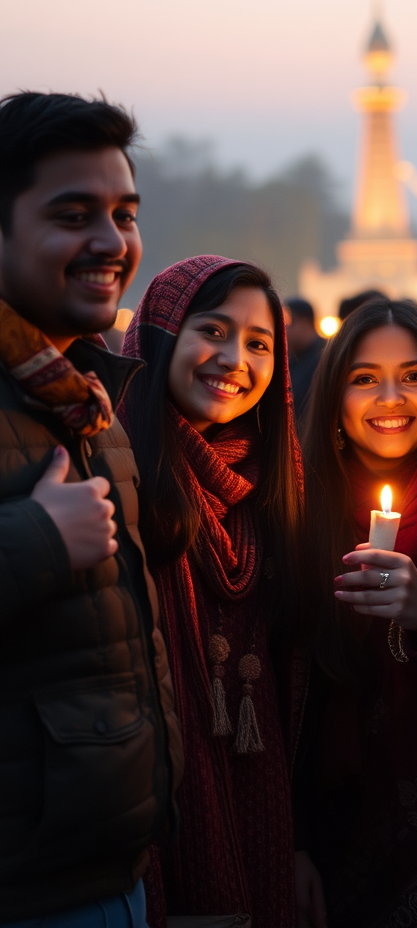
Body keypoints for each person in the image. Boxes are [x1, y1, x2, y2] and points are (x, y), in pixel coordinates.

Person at [0, 91, 182, 926]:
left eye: (125, 214)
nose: (112, 243)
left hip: (106, 865)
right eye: (74, 216)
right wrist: (37, 540)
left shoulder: (87, 401)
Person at [120, 256, 306, 927]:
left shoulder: (275, 493)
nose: (235, 359)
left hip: (262, 811)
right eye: (214, 331)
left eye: (259, 344)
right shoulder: (112, 475)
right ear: (162, 335)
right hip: (142, 824)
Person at [298, 299, 417, 928]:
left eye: (415, 375)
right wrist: (290, 844)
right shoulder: (292, 513)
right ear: (335, 398)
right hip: (326, 830)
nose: (391, 397)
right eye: (366, 378)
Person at [285, 296, 325, 420]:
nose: (283, 329)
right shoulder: (290, 357)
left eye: (288, 323)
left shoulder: (326, 358)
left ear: (305, 322)